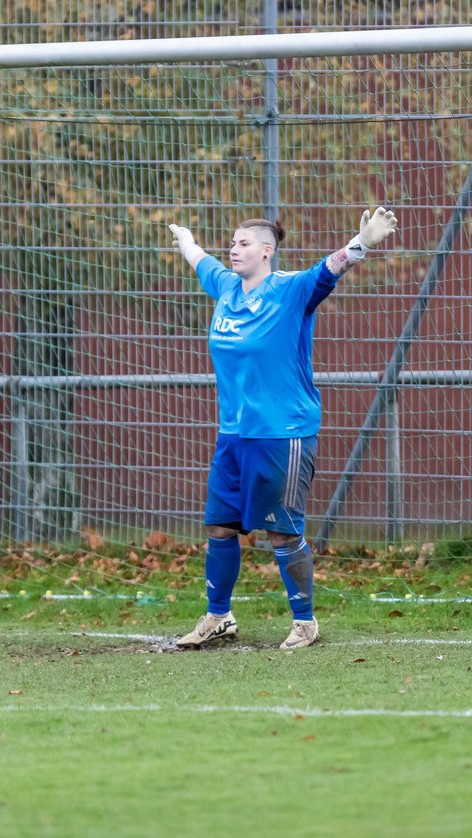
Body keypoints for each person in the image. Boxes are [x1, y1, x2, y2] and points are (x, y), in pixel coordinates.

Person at [168, 207, 398, 649]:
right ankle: (219, 617)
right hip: (233, 434)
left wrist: (362, 242)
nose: (233, 250)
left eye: (243, 244)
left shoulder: (290, 290)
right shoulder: (226, 288)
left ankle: (305, 622)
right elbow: (201, 261)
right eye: (232, 244)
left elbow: (329, 269)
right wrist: (185, 242)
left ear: (266, 252)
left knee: (282, 531)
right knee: (219, 526)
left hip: (283, 432)